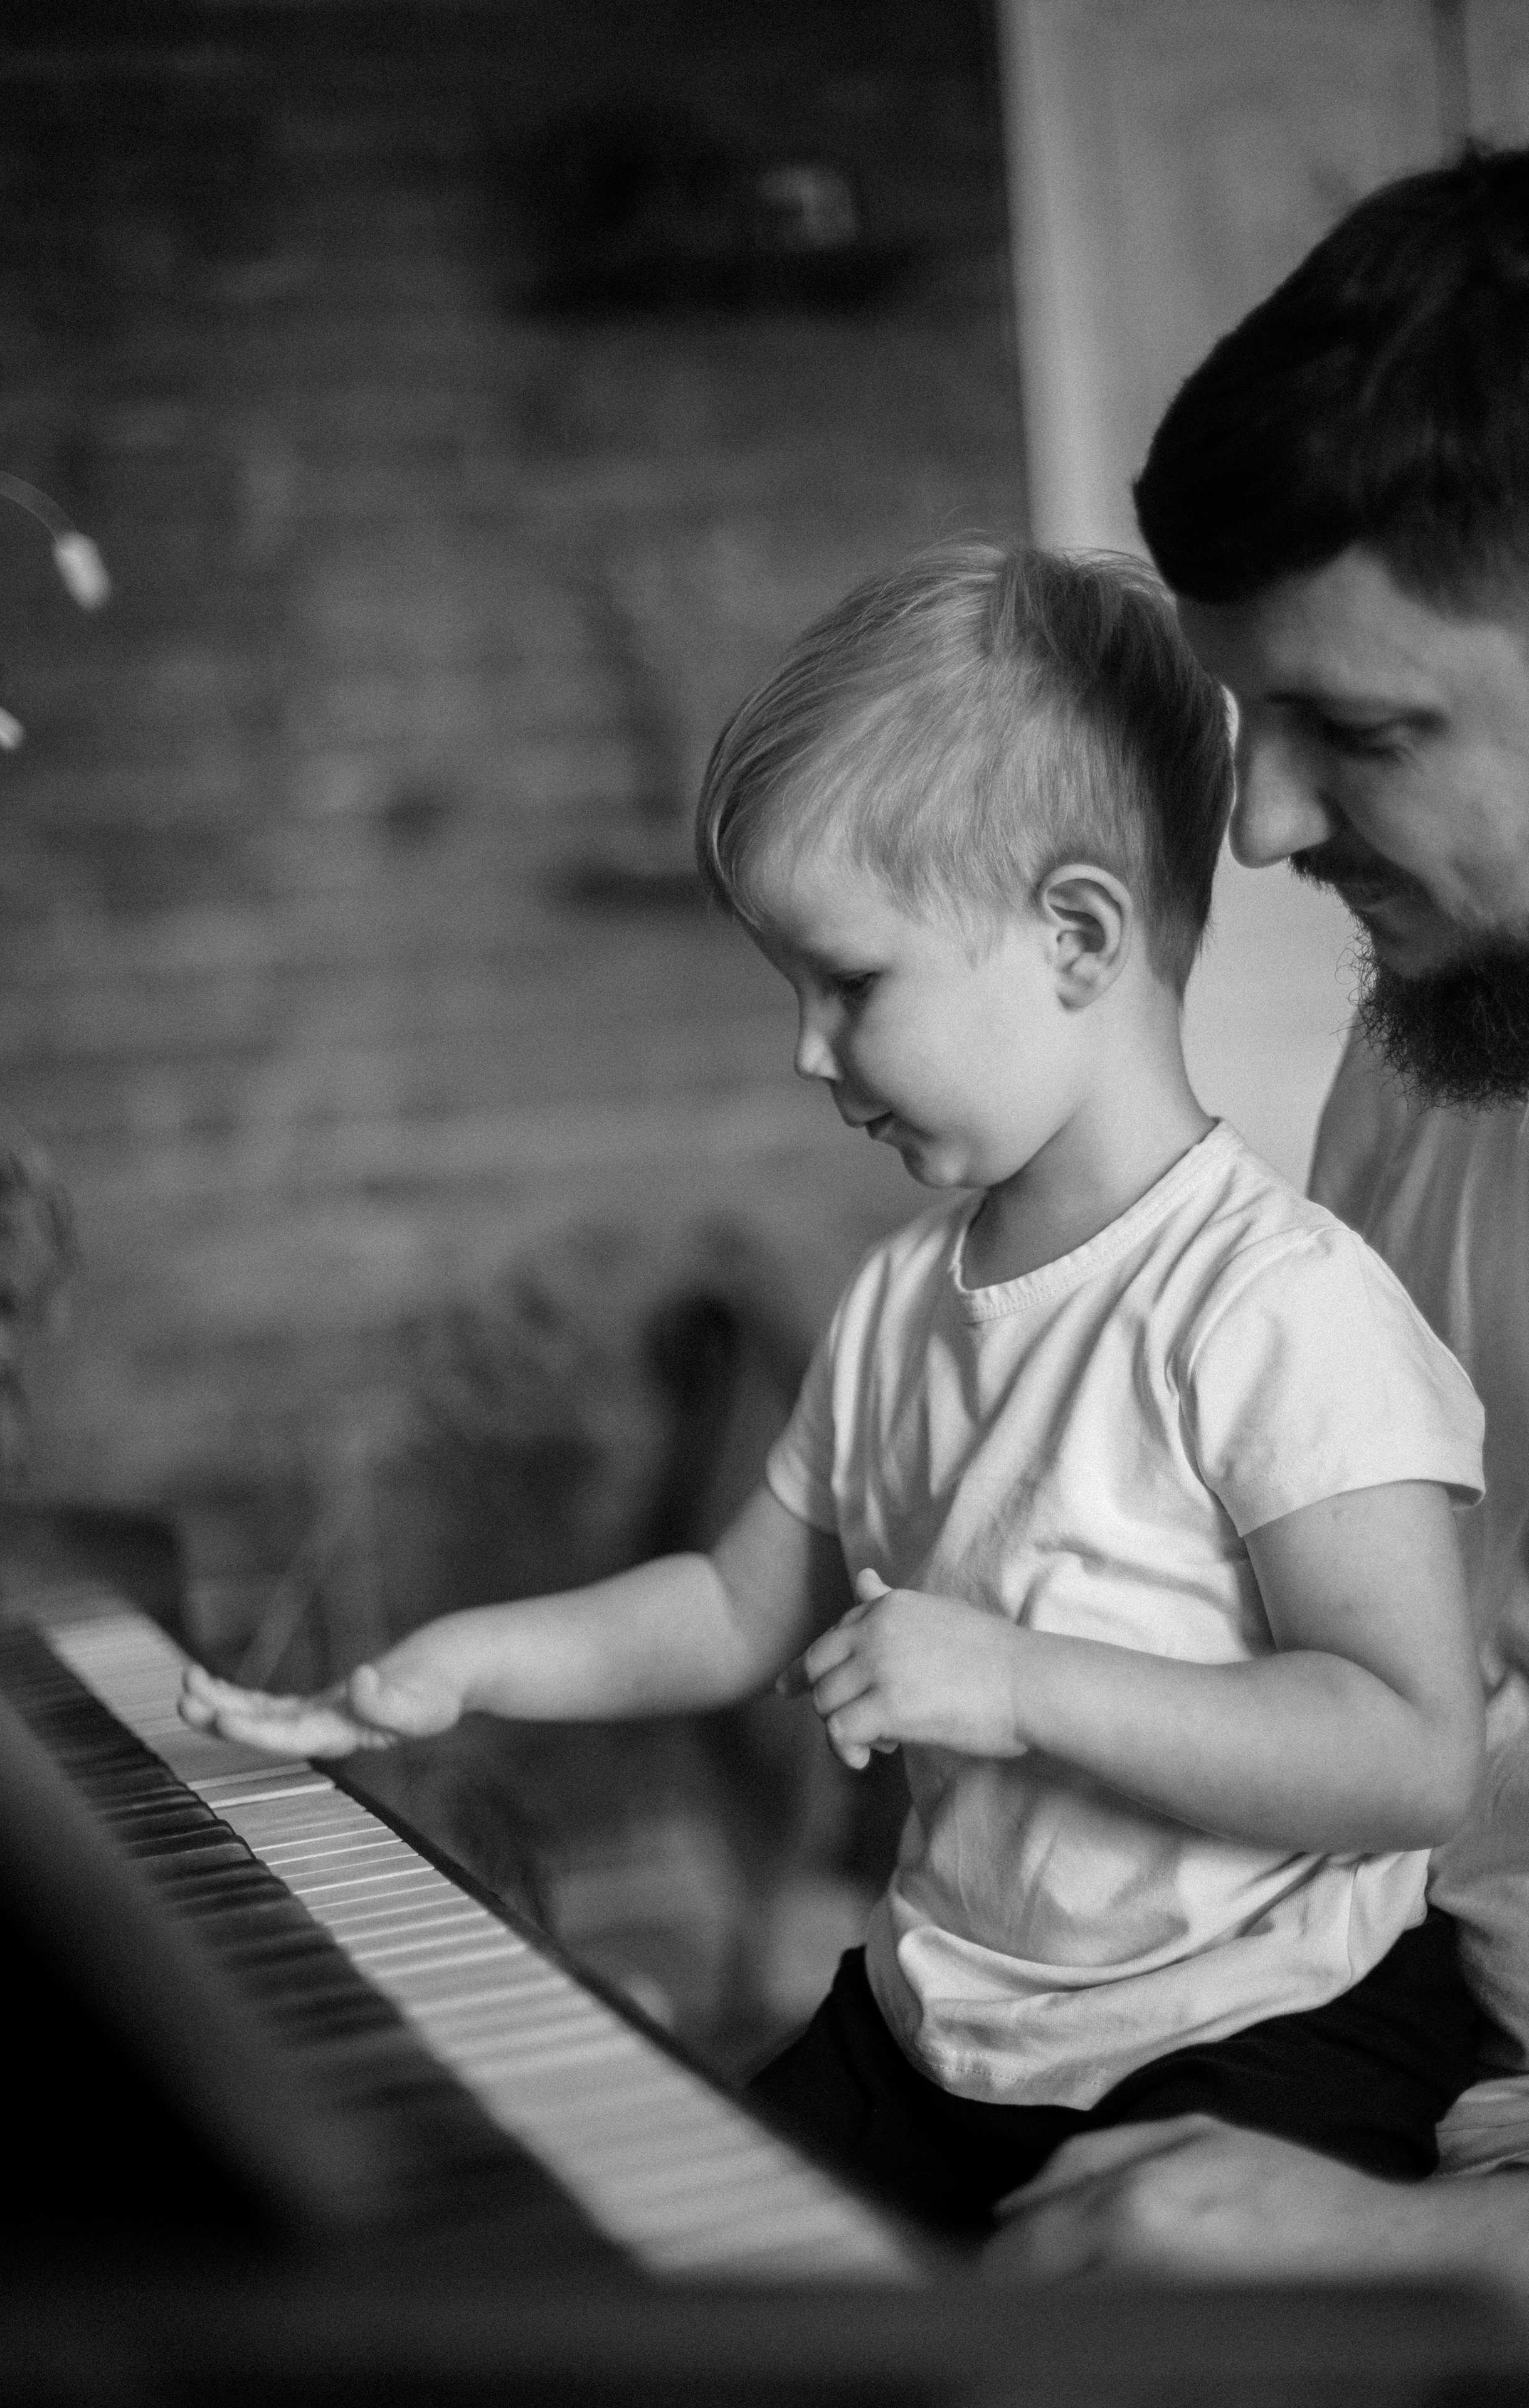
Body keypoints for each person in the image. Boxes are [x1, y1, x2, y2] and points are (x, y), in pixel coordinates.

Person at [183, 543, 1488, 2245]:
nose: (806, 1052)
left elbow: (1407, 1754)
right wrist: (466, 1663)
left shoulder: (1276, 1305)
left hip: (1264, 2031)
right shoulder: (900, 1302)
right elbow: (734, 1608)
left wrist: (1018, 1683)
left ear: (1078, 937)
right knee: (681, 2266)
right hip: (952, 2019)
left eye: (851, 984)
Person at [987, 144, 1529, 2284]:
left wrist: (1431, 2261)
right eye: (1247, 717)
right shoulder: (1448, 1040)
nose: (1269, 820)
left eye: (1361, 729)